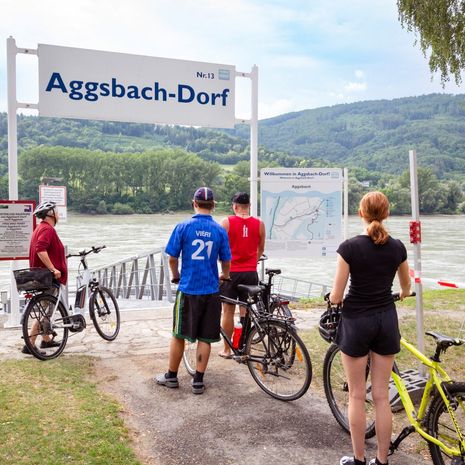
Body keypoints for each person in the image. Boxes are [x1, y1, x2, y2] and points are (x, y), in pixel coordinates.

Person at [330, 191, 411, 465]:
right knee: (381, 396)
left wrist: (332, 299)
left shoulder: (349, 247)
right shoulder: (398, 247)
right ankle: (382, 461)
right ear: (386, 213)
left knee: (356, 394)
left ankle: (359, 459)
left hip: (356, 321)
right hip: (386, 320)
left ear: (360, 213)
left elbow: (337, 295)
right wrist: (400, 294)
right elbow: (406, 287)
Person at [155, 187, 231, 394]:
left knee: (179, 334)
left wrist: (176, 274)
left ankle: (171, 376)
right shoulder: (219, 230)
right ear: (213, 205)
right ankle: (198, 380)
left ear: (194, 203)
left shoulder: (183, 226)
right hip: (210, 290)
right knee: (205, 337)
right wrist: (224, 275)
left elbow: (172, 257)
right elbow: (226, 260)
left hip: (188, 288)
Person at [218, 192, 265, 358]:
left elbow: (219, 248)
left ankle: (227, 349)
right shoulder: (259, 223)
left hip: (231, 273)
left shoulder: (227, 222)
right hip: (251, 273)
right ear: (249, 206)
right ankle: (244, 346)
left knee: (228, 311)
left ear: (234, 206)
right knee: (245, 310)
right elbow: (260, 249)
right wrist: (252, 261)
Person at [23, 200, 68, 354]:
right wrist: (53, 268)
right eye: (56, 211)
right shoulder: (47, 230)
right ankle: (29, 344)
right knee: (45, 311)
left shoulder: (40, 228)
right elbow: (40, 249)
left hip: (40, 275)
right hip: (46, 277)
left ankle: (46, 340)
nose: (58, 214)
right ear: (51, 214)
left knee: (46, 309)